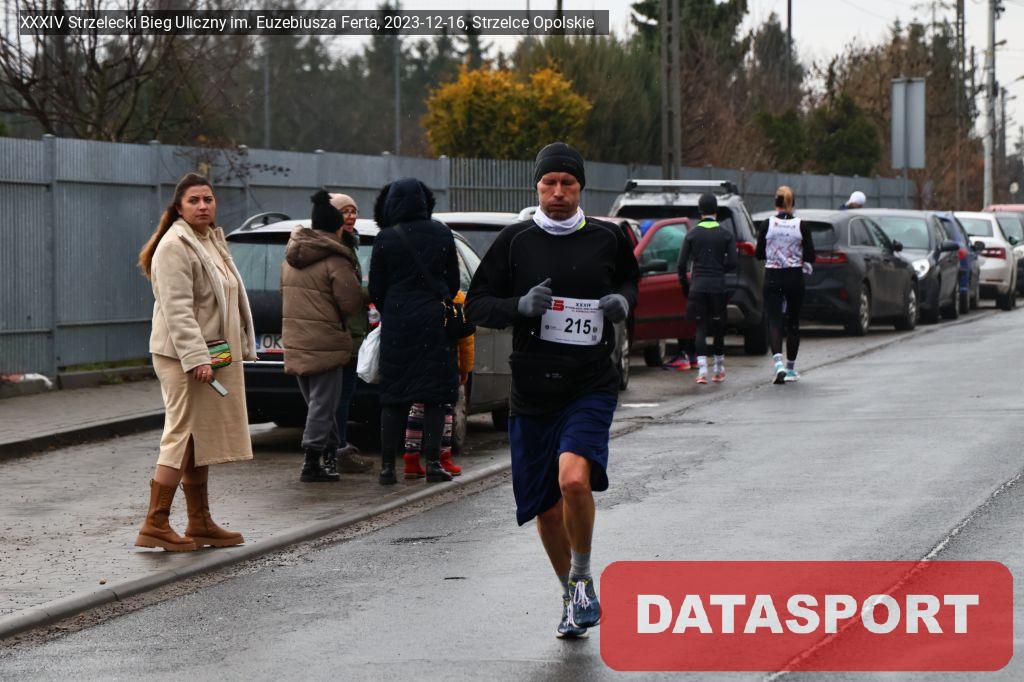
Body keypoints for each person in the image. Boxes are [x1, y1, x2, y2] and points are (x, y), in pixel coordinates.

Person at [465, 142, 640, 639]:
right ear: (537, 187)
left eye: (567, 183)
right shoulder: (515, 241)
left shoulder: (607, 237)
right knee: (545, 507)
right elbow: (476, 304)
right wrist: (518, 306)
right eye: (549, 183)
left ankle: (582, 578)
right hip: (532, 388)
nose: (558, 192)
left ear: (581, 188)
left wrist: (623, 303)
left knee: (574, 482)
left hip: (590, 383)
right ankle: (570, 596)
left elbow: (631, 282)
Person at [136, 172, 256, 552]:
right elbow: (177, 309)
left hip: (209, 354)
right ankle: (155, 523)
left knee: (198, 435)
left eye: (208, 199)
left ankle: (199, 522)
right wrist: (195, 358)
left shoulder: (209, 240)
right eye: (194, 201)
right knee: (182, 433)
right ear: (179, 207)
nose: (203, 206)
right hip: (182, 358)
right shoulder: (174, 245)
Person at [368, 178, 460, 485]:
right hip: (434, 322)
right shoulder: (442, 233)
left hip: (397, 323)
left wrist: (395, 309)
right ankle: (433, 462)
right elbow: (453, 282)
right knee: (435, 395)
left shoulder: (385, 238)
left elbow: (376, 287)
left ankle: (387, 468)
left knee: (393, 396)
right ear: (424, 202)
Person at [281, 190, 367, 482]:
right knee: (324, 405)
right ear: (336, 226)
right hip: (327, 342)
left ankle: (328, 454)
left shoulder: (291, 257)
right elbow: (350, 304)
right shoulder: (336, 260)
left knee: (318, 404)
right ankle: (312, 462)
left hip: (296, 341)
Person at [403, 291, 474, 478]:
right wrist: (465, 368)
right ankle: (443, 458)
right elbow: (466, 340)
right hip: (446, 363)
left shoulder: (416, 295)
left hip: (418, 362)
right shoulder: (456, 299)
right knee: (444, 410)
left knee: (417, 409)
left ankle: (411, 459)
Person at [328, 192, 374, 476]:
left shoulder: (348, 243)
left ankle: (334, 449)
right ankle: (337, 450)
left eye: (353, 211)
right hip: (342, 331)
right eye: (344, 211)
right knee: (338, 397)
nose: (351, 216)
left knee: (338, 396)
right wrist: (374, 289)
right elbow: (347, 295)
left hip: (351, 330)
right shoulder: (338, 248)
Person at [756, 186, 817, 384]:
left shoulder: (767, 224)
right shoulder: (801, 225)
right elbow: (811, 256)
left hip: (773, 276)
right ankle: (790, 369)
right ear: (792, 204)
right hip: (794, 277)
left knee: (774, 321)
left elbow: (759, 253)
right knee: (793, 322)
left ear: (776, 204)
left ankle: (778, 365)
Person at [677, 193, 737, 384]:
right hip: (717, 287)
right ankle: (718, 369)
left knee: (700, 327)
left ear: (700, 211)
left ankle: (702, 371)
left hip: (698, 287)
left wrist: (686, 284)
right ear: (716, 211)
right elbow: (733, 262)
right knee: (718, 328)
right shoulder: (726, 234)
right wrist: (719, 269)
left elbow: (681, 264)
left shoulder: (692, 234)